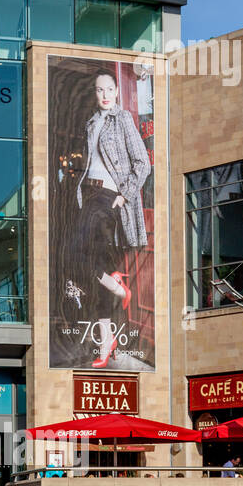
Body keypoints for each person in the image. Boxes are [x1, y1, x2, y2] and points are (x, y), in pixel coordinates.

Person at [64, 69, 151, 369]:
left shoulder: (123, 119)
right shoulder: (91, 123)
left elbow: (143, 163)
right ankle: (106, 342)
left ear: (116, 92)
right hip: (88, 195)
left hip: (109, 198)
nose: (103, 95)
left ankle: (118, 289)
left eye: (108, 90)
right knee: (80, 257)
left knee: (83, 257)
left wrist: (123, 196)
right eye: (98, 90)